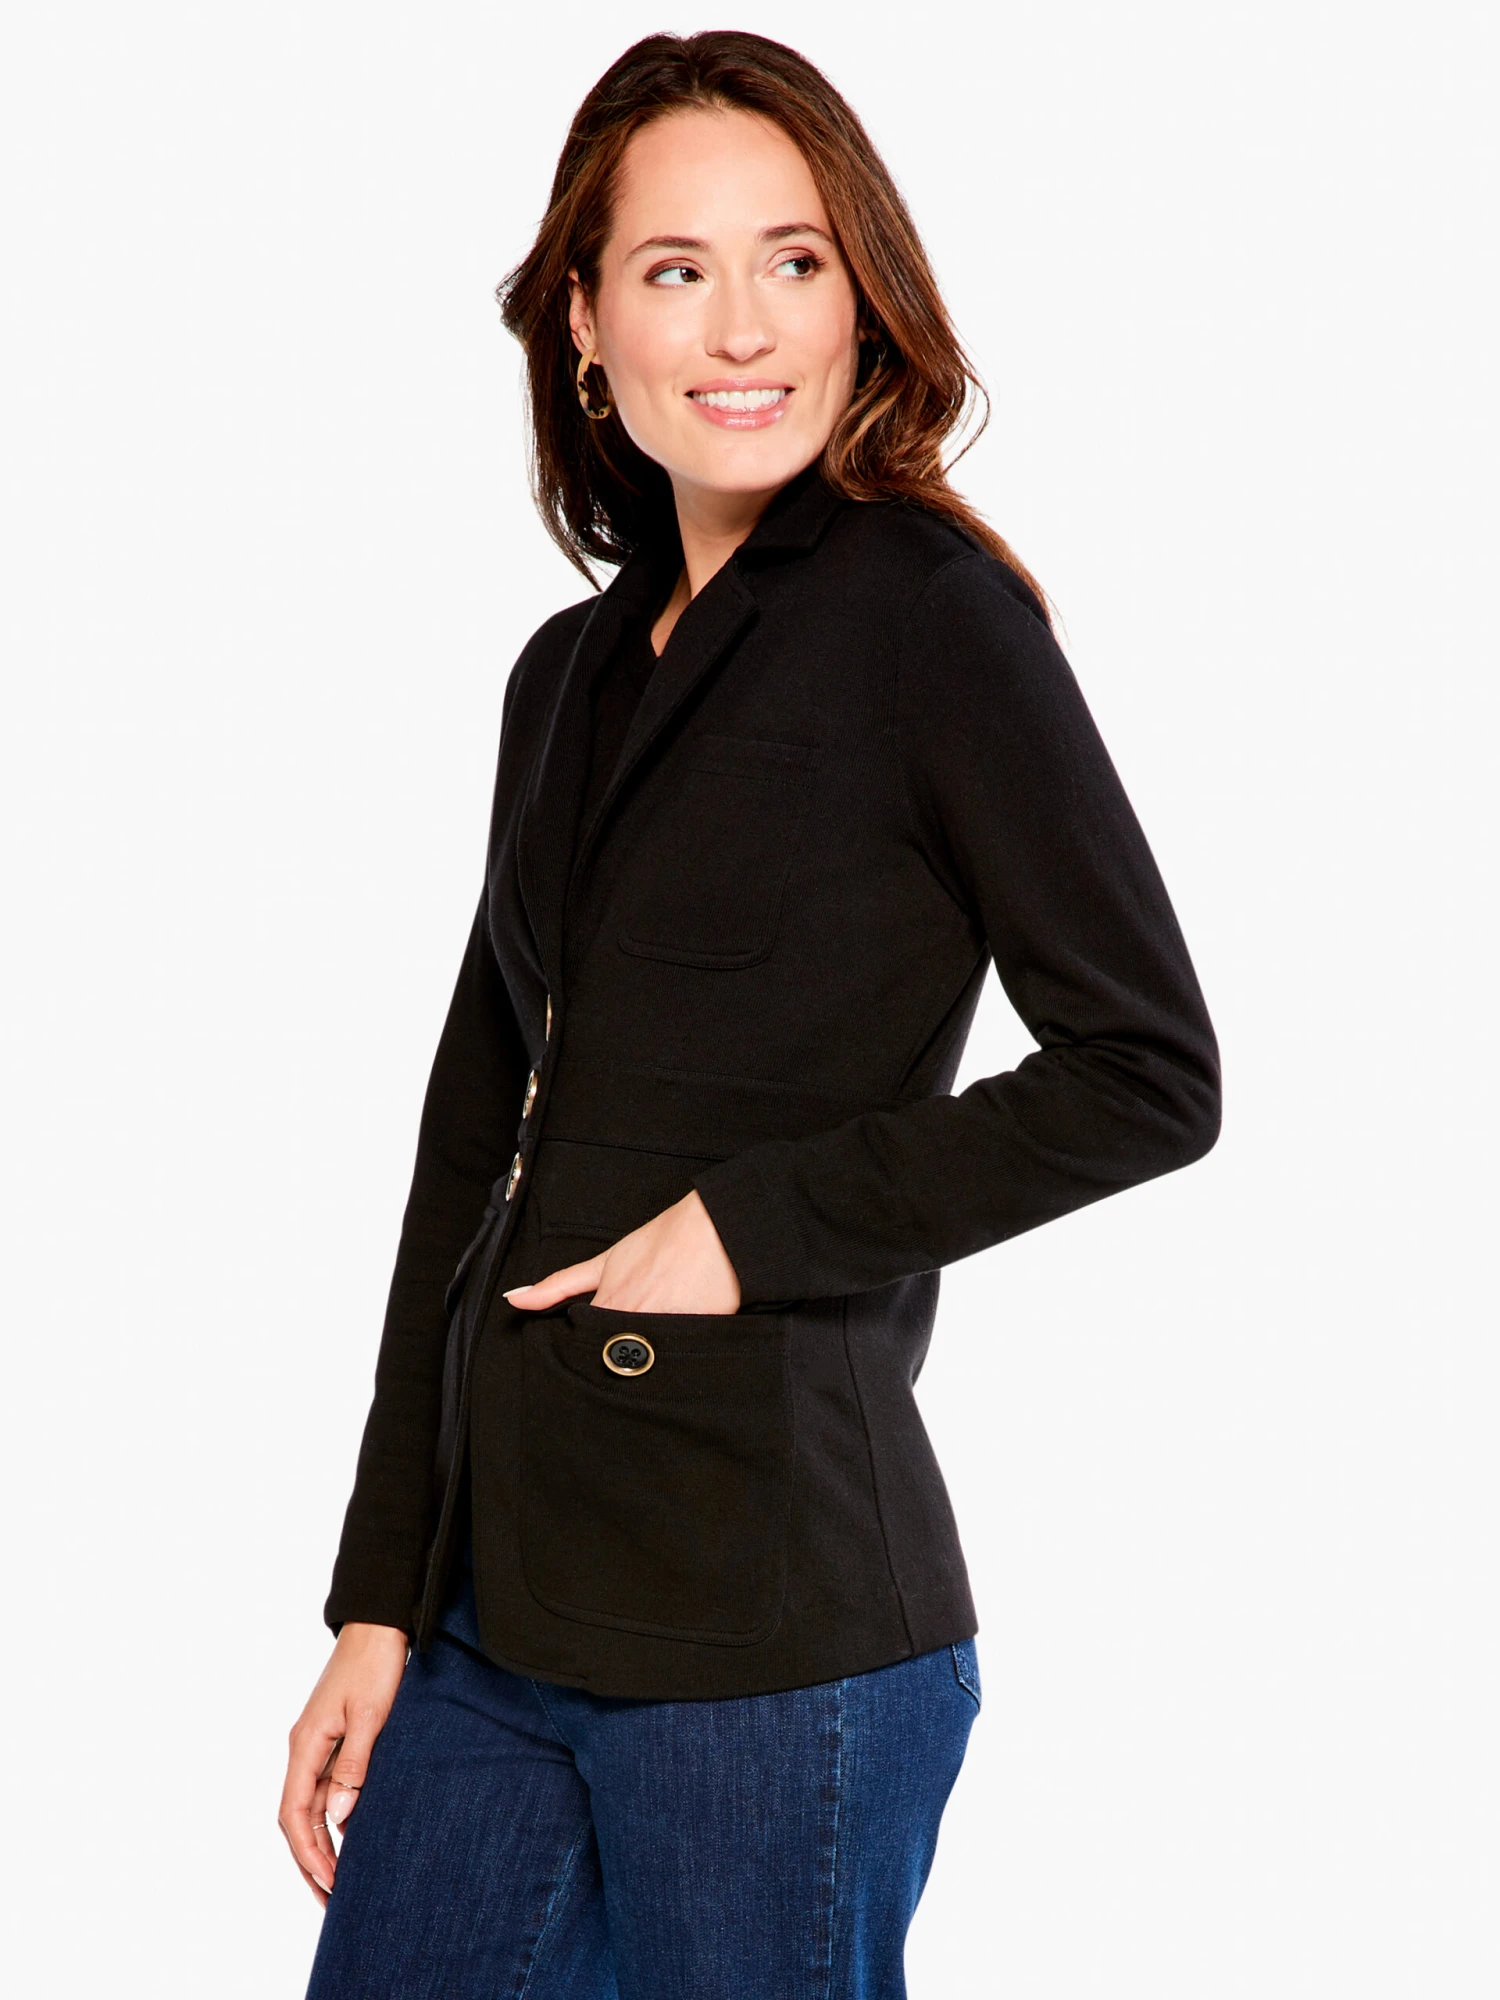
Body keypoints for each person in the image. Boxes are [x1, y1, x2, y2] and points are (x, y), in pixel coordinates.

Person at [281, 30, 1220, 1998]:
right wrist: (379, 1594)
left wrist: (745, 1228)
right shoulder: (565, 674)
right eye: (676, 268)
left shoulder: (935, 624)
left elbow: (1147, 1073)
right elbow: (468, 1152)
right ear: (583, 320)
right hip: (494, 1617)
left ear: (863, 297)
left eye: (795, 261)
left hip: (773, 1643)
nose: (743, 327)